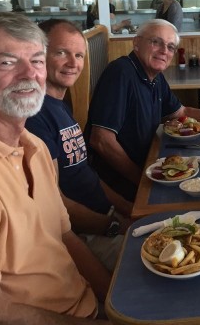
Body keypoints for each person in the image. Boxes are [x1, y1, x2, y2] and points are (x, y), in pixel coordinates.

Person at [0, 12, 110, 323]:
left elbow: (65, 236)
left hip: (86, 306)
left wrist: (113, 299)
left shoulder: (33, 145)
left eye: (37, 61)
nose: (29, 74)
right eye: (7, 62)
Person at [85, 18, 200, 201]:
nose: (164, 51)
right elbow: (101, 141)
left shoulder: (154, 77)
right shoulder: (120, 73)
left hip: (150, 164)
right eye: (156, 42)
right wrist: (144, 181)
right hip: (116, 183)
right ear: (136, 43)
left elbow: (181, 113)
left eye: (170, 46)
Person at [25, 19, 133, 271]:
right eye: (61, 53)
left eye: (79, 55)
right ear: (37, 54)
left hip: (106, 219)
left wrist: (131, 209)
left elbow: (87, 175)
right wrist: (114, 225)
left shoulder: (60, 106)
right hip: (86, 236)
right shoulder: (33, 117)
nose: (73, 64)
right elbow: (54, 204)